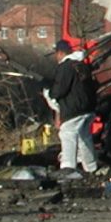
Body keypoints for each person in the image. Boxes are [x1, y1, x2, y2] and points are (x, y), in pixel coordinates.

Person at [43, 40, 98, 175]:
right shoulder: (82, 66)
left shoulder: (65, 67)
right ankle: (91, 167)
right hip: (88, 109)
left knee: (67, 135)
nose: (56, 58)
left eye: (56, 54)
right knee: (84, 138)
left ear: (61, 53)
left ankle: (68, 169)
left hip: (73, 110)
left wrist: (48, 92)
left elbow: (59, 90)